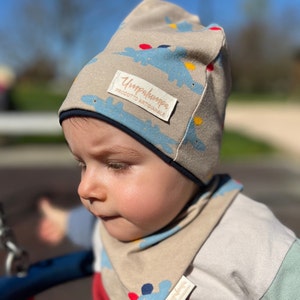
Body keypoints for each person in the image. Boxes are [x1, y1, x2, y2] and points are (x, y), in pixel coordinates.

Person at [57, 0, 300, 299]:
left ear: (188, 163)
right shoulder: (112, 219)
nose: (85, 188)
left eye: (116, 164)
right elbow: (85, 227)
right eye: (82, 163)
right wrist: (60, 222)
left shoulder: (258, 249)